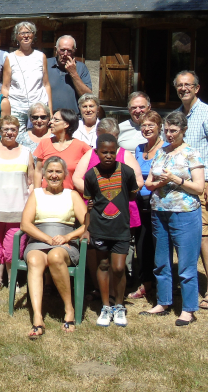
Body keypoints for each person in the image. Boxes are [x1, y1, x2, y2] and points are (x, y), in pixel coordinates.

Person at [140, 111, 205, 326]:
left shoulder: (191, 154)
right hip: (160, 212)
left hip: (185, 214)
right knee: (161, 261)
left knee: (186, 264)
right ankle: (163, 302)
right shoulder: (161, 153)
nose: (169, 134)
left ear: (183, 130)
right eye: (167, 130)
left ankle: (188, 309)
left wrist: (175, 179)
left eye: (174, 131)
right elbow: (149, 183)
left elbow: (198, 187)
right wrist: (159, 183)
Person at [20, 156, 88, 338]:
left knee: (56, 257)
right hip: (39, 240)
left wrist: (68, 236)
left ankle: (69, 309)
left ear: (65, 174)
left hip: (65, 243)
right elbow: (25, 225)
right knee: (34, 259)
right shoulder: (36, 194)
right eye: (50, 171)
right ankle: (37, 317)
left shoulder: (72, 195)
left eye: (58, 171)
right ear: (43, 174)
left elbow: (87, 224)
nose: (54, 175)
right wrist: (48, 240)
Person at [173, 70, 208, 311]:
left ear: (197, 88)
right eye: (180, 85)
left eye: (188, 85)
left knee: (204, 236)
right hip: (179, 185)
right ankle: (185, 283)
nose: (184, 89)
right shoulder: (177, 115)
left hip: (202, 184)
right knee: (183, 236)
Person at [82, 134, 139, 328]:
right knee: (103, 265)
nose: (108, 155)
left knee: (118, 267)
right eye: (104, 152)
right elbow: (90, 203)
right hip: (99, 228)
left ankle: (119, 305)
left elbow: (132, 194)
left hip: (121, 228)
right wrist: (87, 228)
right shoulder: (90, 175)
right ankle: (106, 306)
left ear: (117, 152)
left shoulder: (127, 172)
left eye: (112, 152)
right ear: (96, 152)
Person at [0, 115, 33, 292]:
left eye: (13, 129)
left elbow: (31, 182)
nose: (9, 132)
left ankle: (14, 281)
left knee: (14, 247)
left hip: (18, 209)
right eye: (6, 129)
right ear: (0, 131)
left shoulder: (26, 153)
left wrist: (29, 206)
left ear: (18, 131)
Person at [128, 110, 165, 300]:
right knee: (142, 245)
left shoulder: (166, 148)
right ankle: (146, 283)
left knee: (158, 245)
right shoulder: (139, 149)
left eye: (151, 125)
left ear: (160, 127)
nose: (147, 128)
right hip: (139, 203)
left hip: (159, 203)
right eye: (144, 125)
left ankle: (163, 284)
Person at [2, 22, 53, 135]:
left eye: (29, 32)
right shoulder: (10, 58)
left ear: (33, 35)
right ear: (16, 36)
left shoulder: (41, 56)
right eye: (22, 33)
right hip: (17, 107)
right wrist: (4, 111)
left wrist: (50, 110)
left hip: (38, 109)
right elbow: (6, 86)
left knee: (38, 140)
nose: (26, 36)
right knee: (16, 139)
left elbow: (46, 84)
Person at [33, 109, 91, 190]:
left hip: (71, 198)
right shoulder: (44, 143)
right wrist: (36, 194)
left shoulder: (81, 146)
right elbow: (38, 171)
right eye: (52, 119)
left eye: (56, 120)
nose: (50, 122)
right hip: (46, 196)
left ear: (66, 124)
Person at [46, 35, 93, 111]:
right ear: (56, 49)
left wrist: (73, 73)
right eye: (62, 50)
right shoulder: (46, 64)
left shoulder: (81, 68)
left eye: (69, 51)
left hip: (73, 118)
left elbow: (88, 97)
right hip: (50, 117)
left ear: (74, 51)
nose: (65, 54)